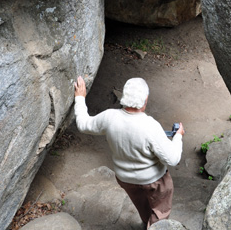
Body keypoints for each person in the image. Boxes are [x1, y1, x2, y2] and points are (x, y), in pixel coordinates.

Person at [73, 76, 185, 228]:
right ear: (145, 100)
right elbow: (172, 159)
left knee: (143, 207)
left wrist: (80, 97)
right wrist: (178, 137)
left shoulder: (109, 117)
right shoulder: (150, 126)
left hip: (126, 179)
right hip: (154, 181)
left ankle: (146, 222)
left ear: (124, 97)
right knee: (160, 213)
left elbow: (83, 124)